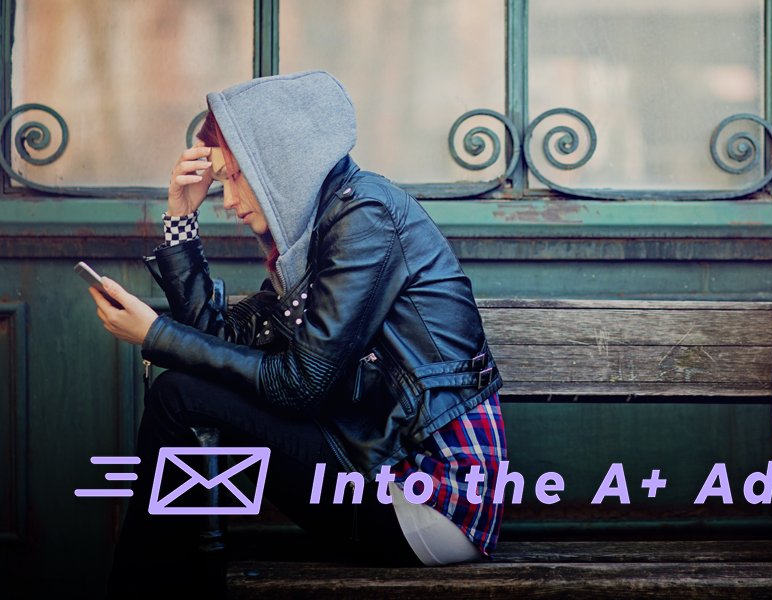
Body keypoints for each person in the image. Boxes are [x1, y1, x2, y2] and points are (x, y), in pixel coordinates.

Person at [89, 71, 506, 596]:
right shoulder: (316, 238)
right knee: (184, 397)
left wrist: (157, 337)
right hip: (377, 469)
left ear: (279, 167)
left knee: (177, 398)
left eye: (237, 177)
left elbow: (303, 384)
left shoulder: (365, 217)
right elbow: (218, 338)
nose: (230, 200)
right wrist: (179, 220)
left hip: (432, 500)